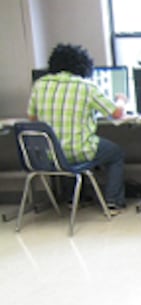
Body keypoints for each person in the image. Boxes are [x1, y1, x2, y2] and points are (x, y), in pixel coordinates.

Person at [27, 43, 127, 211]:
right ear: (84, 65)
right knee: (115, 153)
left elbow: (32, 118)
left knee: (62, 150)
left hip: (49, 154)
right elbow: (117, 114)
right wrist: (121, 100)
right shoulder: (87, 87)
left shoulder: (39, 85)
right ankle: (112, 200)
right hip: (79, 151)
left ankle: (73, 199)